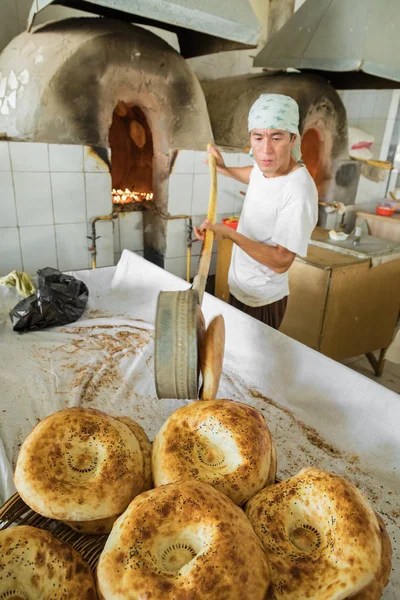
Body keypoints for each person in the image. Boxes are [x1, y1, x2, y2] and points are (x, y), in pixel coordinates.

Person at [194, 93, 318, 330]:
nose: (265, 150)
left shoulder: (298, 192)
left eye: (276, 137)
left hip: (262, 301)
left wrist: (229, 234)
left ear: (293, 139)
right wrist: (223, 169)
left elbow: (281, 261)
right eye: (258, 137)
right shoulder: (267, 169)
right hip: (240, 288)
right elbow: (252, 174)